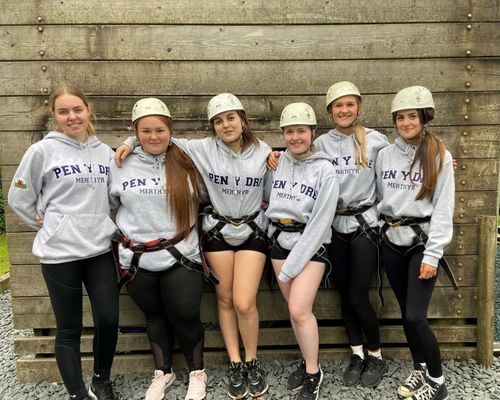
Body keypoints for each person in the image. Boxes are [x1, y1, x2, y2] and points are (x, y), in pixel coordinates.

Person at [115, 93, 271, 399]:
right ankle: (235, 363)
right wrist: (129, 143)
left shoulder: (263, 150)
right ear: (211, 126)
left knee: (243, 301)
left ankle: (252, 360)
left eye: (230, 117)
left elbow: (275, 183)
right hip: (218, 230)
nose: (225, 125)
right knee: (224, 299)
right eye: (218, 120)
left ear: (243, 119)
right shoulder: (198, 148)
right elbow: (156, 136)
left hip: (252, 230)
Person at [8, 86, 119, 400]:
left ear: (88, 109)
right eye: (64, 112)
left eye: (77, 110)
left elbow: (113, 197)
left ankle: (101, 380)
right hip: (60, 255)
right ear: (54, 115)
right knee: (69, 328)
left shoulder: (104, 153)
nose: (72, 117)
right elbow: (19, 197)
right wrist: (46, 227)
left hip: (98, 250)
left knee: (109, 320)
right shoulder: (42, 151)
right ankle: (77, 393)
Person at [109, 98, 208, 400]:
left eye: (160, 130)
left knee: (186, 315)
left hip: (181, 256)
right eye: (145, 131)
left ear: (170, 130)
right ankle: (163, 372)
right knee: (154, 318)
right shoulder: (119, 164)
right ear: (135, 132)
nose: (154, 137)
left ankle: (196, 372)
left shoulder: (187, 159)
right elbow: (109, 206)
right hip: (137, 259)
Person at [376, 86, 454, 400]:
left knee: (415, 317)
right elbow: (381, 197)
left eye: (412, 116)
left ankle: (438, 382)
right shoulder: (385, 155)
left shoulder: (440, 156)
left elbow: (444, 209)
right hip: (392, 241)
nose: (406, 122)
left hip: (421, 244)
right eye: (401, 117)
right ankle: (420, 367)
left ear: (423, 118)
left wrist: (433, 255)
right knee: (406, 309)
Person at [314, 81, 389, 387]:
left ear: (359, 107)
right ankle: (356, 353)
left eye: (349, 104)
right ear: (330, 111)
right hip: (335, 226)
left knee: (359, 294)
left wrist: (442, 160)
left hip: (364, 225)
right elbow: (298, 163)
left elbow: (404, 161)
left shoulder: (376, 141)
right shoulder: (321, 144)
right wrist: (273, 160)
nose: (344, 110)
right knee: (344, 294)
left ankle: (376, 354)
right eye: (338, 106)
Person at [265, 103, 339, 400]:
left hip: (311, 247)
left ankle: (313, 373)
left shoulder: (325, 170)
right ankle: (310, 361)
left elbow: (321, 223)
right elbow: (265, 201)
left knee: (299, 308)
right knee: (296, 313)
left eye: (301, 131)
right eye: (289, 132)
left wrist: (293, 265)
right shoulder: (276, 162)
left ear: (312, 133)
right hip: (278, 243)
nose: (295, 137)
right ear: (283, 134)